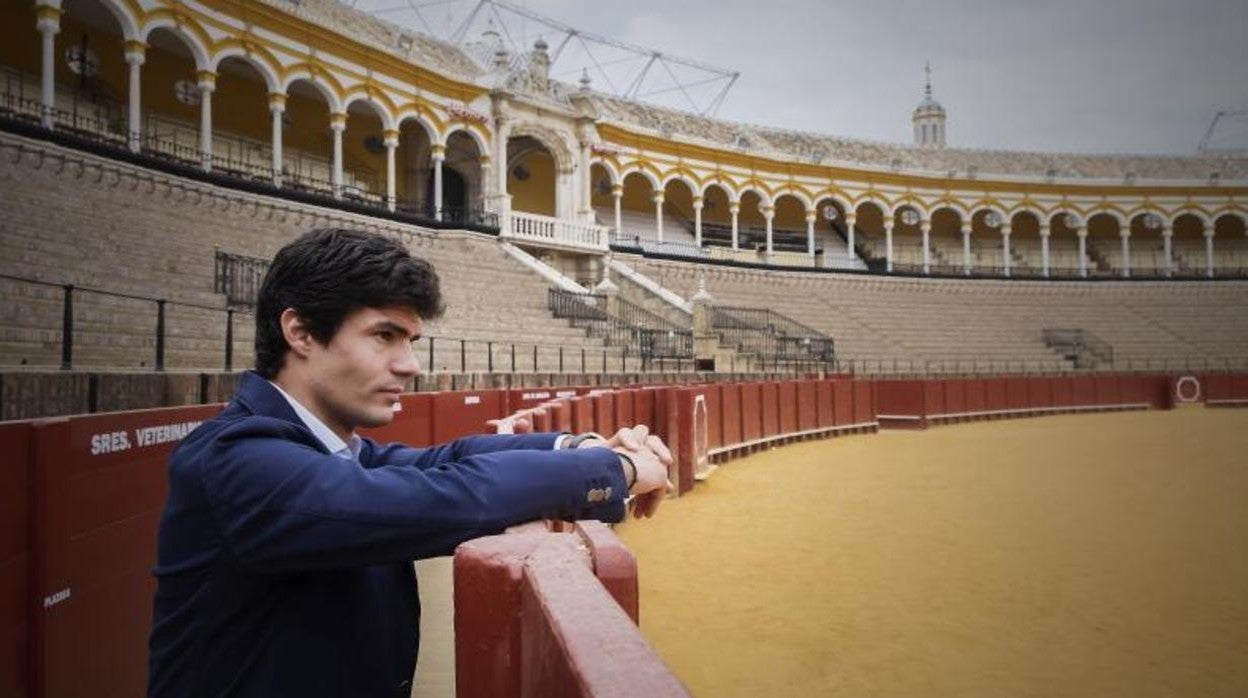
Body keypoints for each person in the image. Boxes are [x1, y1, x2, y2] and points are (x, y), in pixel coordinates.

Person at [147, 228, 673, 697]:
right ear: (301, 333)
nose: (410, 365)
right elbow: (450, 494)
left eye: (411, 340)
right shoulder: (235, 458)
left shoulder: (332, 450)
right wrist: (622, 471)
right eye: (383, 336)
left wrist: (586, 448)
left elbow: (453, 457)